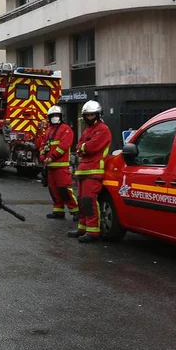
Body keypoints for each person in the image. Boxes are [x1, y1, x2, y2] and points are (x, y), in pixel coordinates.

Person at [68, 100, 111, 243]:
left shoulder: (102, 129)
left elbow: (91, 147)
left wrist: (82, 147)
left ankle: (93, 231)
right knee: (81, 200)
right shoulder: (88, 129)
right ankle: (82, 227)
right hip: (83, 170)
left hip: (94, 170)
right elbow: (79, 145)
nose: (89, 117)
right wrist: (82, 147)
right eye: (87, 115)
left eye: (92, 115)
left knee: (88, 200)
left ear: (98, 115)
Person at [40, 106, 79, 222]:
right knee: (53, 190)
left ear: (61, 117)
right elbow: (43, 146)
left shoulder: (66, 129)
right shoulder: (48, 131)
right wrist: (42, 157)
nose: (55, 118)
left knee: (64, 189)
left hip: (61, 166)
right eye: (53, 116)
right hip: (50, 167)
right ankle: (58, 211)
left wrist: (52, 157)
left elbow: (64, 145)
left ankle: (76, 211)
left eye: (57, 116)